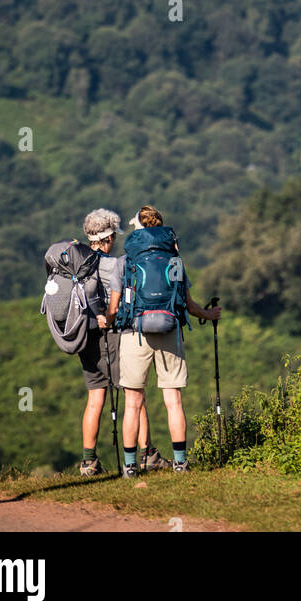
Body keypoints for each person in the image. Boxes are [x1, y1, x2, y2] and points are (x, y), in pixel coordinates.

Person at [119, 204, 220, 477]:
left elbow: (118, 303)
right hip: (169, 330)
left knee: (133, 402)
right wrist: (209, 315)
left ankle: (129, 466)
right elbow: (187, 304)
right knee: (173, 399)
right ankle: (180, 462)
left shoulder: (127, 260)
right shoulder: (175, 260)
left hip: (134, 333)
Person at [79, 208, 170, 476]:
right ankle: (147, 454)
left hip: (87, 335)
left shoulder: (79, 265)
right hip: (115, 334)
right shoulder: (116, 264)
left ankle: (88, 461)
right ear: (107, 239)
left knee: (95, 398)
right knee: (134, 393)